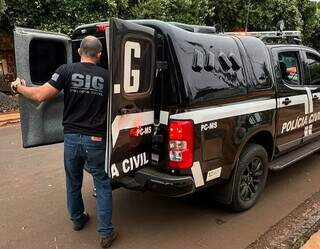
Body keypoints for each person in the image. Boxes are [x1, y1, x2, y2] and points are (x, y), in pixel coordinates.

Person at [11, 36, 117, 248]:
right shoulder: (108, 76)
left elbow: (41, 95)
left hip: (70, 138)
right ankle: (106, 234)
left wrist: (18, 88)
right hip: (96, 139)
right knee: (103, 184)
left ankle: (78, 219)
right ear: (100, 55)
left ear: (79, 52)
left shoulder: (66, 70)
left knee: (73, 181)